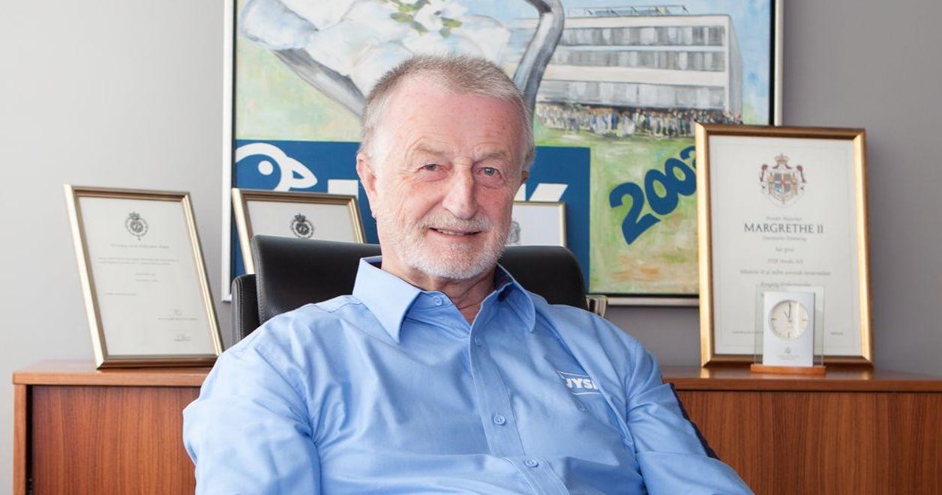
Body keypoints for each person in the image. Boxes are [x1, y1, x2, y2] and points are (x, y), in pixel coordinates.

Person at [183, 54, 752, 494]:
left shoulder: (610, 354)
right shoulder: (273, 369)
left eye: (490, 171)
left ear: (519, 184)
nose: (462, 201)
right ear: (372, 180)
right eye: (431, 166)